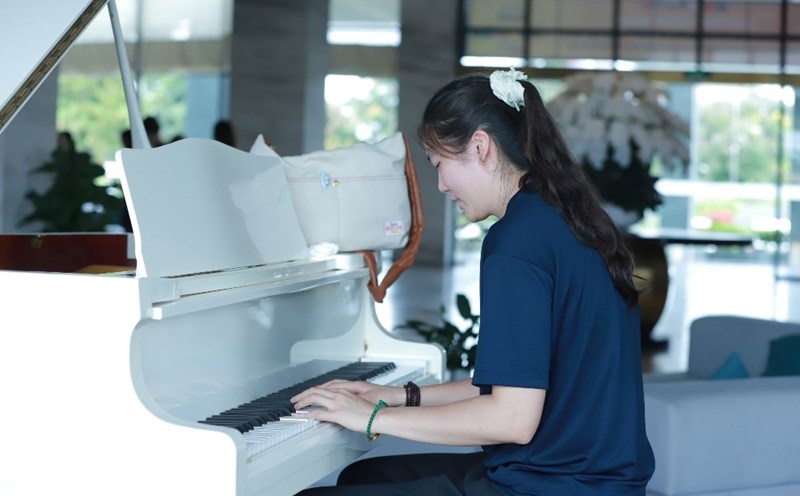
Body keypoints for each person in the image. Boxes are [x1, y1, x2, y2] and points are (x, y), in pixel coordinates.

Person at [290, 68, 655, 495]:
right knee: (361, 476)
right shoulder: (567, 218)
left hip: (548, 485)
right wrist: (393, 397)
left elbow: (512, 420)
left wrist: (368, 418)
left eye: (441, 164)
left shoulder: (515, 242)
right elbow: (521, 383)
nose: (442, 185)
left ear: (480, 146)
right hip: (595, 479)